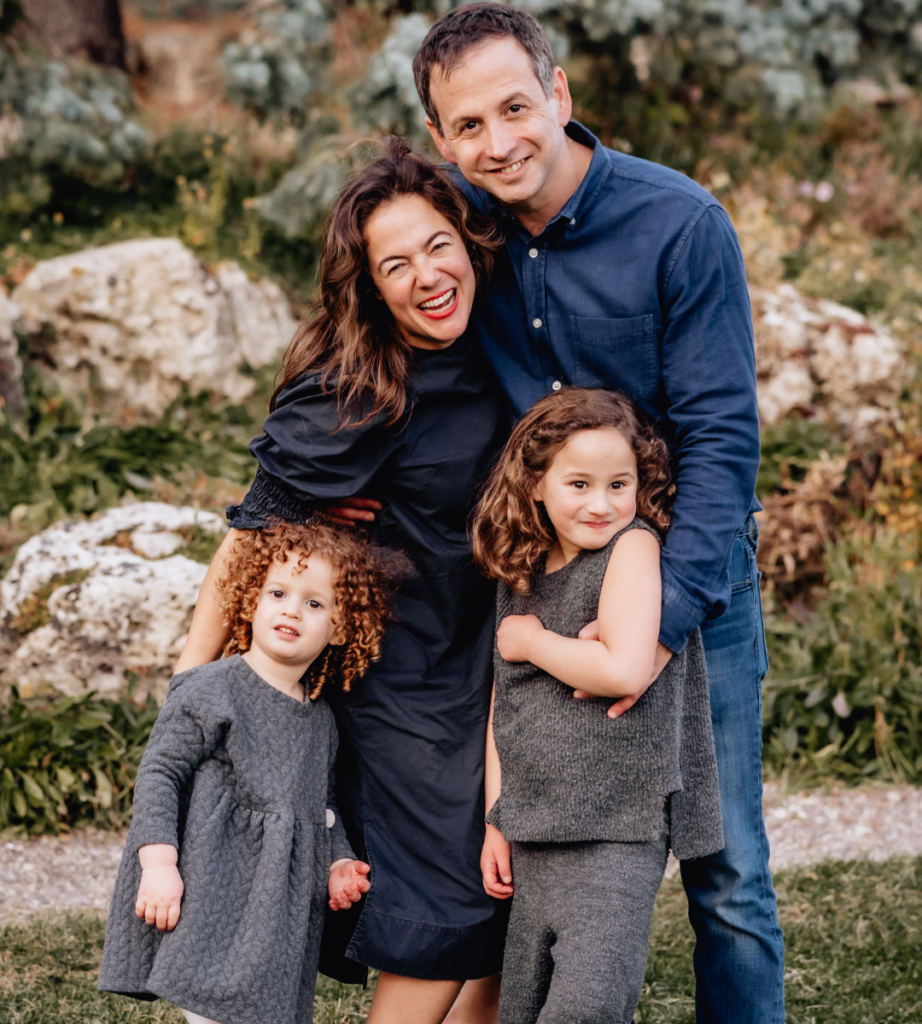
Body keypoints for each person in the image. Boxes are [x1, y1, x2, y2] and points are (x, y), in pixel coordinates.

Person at [412, 5, 785, 1023]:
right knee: (529, 836)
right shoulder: (461, 237)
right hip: (540, 583)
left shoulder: (678, 223)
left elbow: (720, 439)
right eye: (469, 126)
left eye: (515, 108)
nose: (499, 141)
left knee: (726, 866)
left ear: (560, 95)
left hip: (686, 579)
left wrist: (656, 628)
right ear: (441, 139)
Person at [172, 138, 510, 1024]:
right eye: (395, 264)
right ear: (368, 284)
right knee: (445, 910)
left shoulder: (499, 344)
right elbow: (249, 537)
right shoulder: (355, 387)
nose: (427, 275)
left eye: (439, 245)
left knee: (497, 919)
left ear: (468, 242)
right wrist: (191, 685)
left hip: (490, 660)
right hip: (401, 686)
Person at [471, 387, 723, 1024]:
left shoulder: (632, 548)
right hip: (535, 828)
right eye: (579, 483)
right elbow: (508, 708)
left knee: (588, 1006)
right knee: (524, 1005)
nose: (601, 503)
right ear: (535, 485)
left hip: (614, 827)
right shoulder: (522, 572)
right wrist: (496, 818)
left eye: (620, 483)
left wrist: (533, 640)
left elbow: (624, 667)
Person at [98, 522, 391, 1024]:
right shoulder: (211, 688)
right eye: (278, 592)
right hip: (211, 892)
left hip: (277, 909)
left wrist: (338, 861)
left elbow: (322, 806)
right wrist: (159, 864)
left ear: (340, 627)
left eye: (314, 603)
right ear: (252, 599)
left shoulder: (321, 718)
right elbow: (160, 775)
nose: (292, 610)